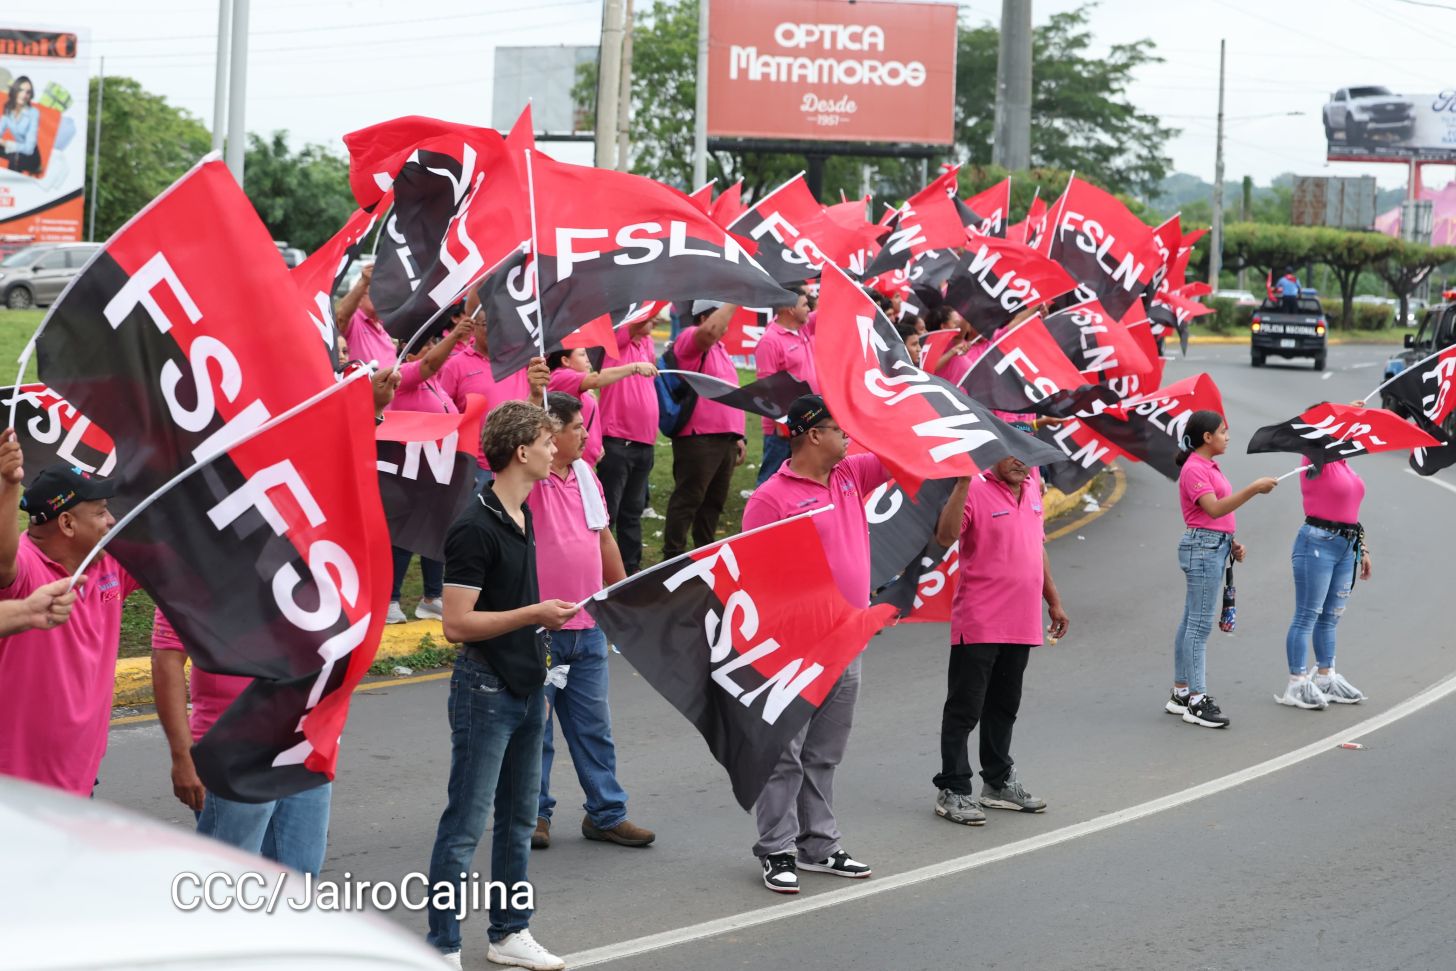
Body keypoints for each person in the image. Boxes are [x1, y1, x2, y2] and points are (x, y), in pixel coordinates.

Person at [426, 401, 578, 971]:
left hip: (526, 684)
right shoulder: (474, 526)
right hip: (483, 689)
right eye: (546, 440)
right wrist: (534, 613)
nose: (554, 448)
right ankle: (440, 945)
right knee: (465, 824)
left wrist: (534, 623)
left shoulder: (525, 513)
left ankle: (509, 932)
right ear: (521, 451)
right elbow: (456, 624)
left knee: (517, 819)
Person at [741, 395, 886, 894]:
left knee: (825, 753)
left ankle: (819, 846)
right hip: (795, 647)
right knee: (785, 753)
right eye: (839, 429)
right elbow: (754, 578)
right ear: (812, 435)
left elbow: (900, 450)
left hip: (848, 637)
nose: (848, 438)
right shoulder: (770, 498)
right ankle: (776, 848)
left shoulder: (851, 476)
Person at [529, 392, 655, 852]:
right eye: (577, 427)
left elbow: (603, 539)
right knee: (534, 730)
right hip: (538, 628)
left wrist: (620, 597)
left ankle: (606, 814)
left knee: (593, 728)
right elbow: (510, 446)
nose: (585, 433)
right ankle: (533, 815)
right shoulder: (529, 477)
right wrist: (530, 397)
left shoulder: (585, 474)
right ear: (550, 434)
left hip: (587, 626)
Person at [929, 456, 1069, 827]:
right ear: (995, 452)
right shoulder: (973, 487)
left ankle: (997, 782)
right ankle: (954, 788)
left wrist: (1053, 601)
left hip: (1021, 620)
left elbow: (1036, 548)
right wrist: (959, 485)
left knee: (1004, 706)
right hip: (980, 619)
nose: (1023, 464)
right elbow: (945, 536)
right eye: (1013, 454)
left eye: (1028, 457)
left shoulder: (1033, 488)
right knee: (965, 707)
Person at [0, 448, 142, 797]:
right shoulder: (25, 568)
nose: (111, 521)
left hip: (80, 780)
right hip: (17, 790)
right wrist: (7, 487)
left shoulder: (109, 565)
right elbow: (3, 566)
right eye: (101, 512)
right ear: (66, 523)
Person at [151, 610, 333, 875]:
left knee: (299, 881)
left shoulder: (306, 571)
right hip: (233, 752)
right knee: (227, 885)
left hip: (304, 743)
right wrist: (183, 756)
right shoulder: (196, 573)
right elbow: (166, 661)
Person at [1167, 410, 1278, 729]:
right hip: (1202, 548)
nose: (1227, 437)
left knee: (1191, 620)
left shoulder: (1206, 466)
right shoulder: (1194, 469)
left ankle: (1181, 693)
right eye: (1223, 432)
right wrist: (1254, 489)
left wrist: (1231, 541)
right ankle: (1196, 700)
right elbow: (1213, 508)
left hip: (1212, 545)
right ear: (1207, 437)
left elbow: (1214, 517)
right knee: (1199, 627)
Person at [385, 310, 474, 625]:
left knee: (437, 534)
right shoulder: (403, 375)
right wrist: (453, 336)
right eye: (431, 344)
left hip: (438, 471)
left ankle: (432, 597)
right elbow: (428, 364)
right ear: (411, 348)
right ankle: (391, 600)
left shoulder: (437, 383)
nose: (438, 349)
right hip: (410, 471)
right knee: (404, 538)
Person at [1278, 438, 1371, 709]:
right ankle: (1296, 683)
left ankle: (1325, 677)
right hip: (1317, 543)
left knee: (1331, 617)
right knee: (1307, 615)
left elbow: (1350, 511)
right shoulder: (1314, 457)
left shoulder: (1343, 463)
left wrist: (1362, 547)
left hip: (1346, 545)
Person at [662, 301, 746, 560]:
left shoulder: (721, 350)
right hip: (699, 438)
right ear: (706, 317)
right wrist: (735, 298)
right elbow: (709, 332)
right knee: (688, 500)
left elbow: (731, 395)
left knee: (713, 504)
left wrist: (739, 435)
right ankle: (673, 558)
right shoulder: (690, 339)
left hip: (725, 439)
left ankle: (704, 557)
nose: (726, 325)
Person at [435, 308, 549, 480]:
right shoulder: (456, 365)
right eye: (489, 324)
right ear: (474, 327)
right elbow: (442, 414)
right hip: (475, 466)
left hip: (519, 460)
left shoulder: (519, 361)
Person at [597, 311, 661, 575]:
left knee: (633, 510)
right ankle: (600, 569)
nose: (656, 321)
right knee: (609, 512)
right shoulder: (617, 340)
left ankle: (630, 569)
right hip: (618, 441)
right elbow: (635, 322)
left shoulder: (644, 344)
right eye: (651, 317)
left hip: (644, 442)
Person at [545, 346, 657, 469]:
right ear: (565, 361)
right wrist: (634, 367)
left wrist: (597, 444)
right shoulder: (560, 376)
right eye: (582, 355)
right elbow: (596, 379)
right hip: (571, 462)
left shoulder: (578, 384)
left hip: (583, 460)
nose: (588, 359)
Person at [753, 286, 815, 484]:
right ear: (790, 309)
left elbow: (829, 312)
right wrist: (781, 422)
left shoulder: (802, 329)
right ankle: (764, 515)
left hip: (807, 419)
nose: (809, 309)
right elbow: (768, 386)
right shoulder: (769, 341)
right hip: (783, 428)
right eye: (805, 305)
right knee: (772, 478)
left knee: (801, 479)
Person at [335, 263, 397, 370]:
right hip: (363, 385)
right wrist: (364, 282)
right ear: (360, 298)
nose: (383, 297)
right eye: (376, 293)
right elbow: (341, 316)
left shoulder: (383, 325)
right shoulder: (355, 321)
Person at [0, 76, 41, 175]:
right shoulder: (8, 110)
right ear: (15, 91)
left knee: (15, 156)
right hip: (16, 150)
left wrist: (6, 144)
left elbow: (29, 149)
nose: (24, 95)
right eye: (21, 90)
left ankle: (12, 188)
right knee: (14, 154)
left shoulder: (33, 113)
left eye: (28, 92)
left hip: (31, 157)